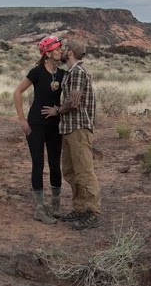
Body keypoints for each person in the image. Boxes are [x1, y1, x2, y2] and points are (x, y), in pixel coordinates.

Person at [42, 37, 100, 230]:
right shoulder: (71, 73)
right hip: (69, 129)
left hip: (78, 128)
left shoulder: (77, 73)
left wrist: (57, 110)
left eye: (66, 48)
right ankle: (80, 208)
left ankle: (92, 212)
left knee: (83, 172)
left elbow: (73, 102)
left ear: (71, 52)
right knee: (71, 171)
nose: (63, 50)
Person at [13, 35, 66, 223]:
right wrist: (21, 120)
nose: (61, 51)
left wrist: (58, 110)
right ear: (48, 53)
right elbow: (17, 92)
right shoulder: (36, 72)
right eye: (58, 48)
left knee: (54, 163)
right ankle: (40, 208)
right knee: (38, 163)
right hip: (35, 124)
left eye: (60, 48)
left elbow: (68, 101)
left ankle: (56, 206)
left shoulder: (62, 75)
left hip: (54, 125)